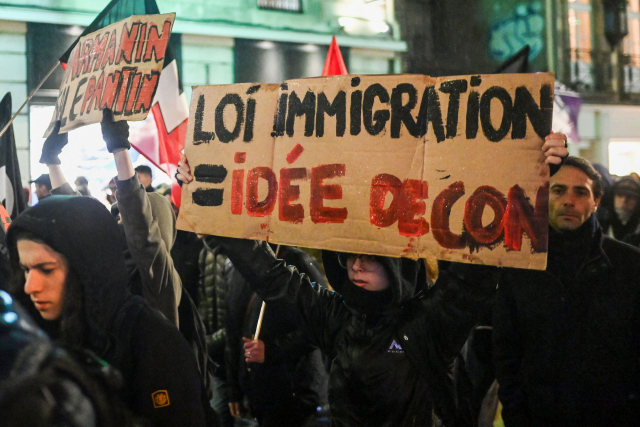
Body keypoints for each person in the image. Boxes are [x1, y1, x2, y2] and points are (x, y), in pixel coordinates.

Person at [176, 133, 568, 426]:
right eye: (349, 258)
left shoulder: (432, 321)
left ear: (397, 262)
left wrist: (533, 174)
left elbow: (477, 266)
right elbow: (272, 276)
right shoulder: (335, 316)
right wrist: (206, 193)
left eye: (370, 258)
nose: (356, 267)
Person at [5, 194, 211, 426]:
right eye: (25, 269)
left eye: (46, 269)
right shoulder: (31, 338)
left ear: (86, 268)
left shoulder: (149, 338)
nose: (30, 286)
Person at [493, 156, 640, 427]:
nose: (569, 200)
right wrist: (516, 412)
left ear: (597, 201)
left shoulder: (630, 265)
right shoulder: (519, 265)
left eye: (581, 192)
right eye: (558, 190)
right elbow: (506, 349)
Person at [225, 245, 329, 427]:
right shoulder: (239, 265)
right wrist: (234, 388)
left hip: (295, 394)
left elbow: (321, 324)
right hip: (257, 393)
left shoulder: (298, 262)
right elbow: (233, 328)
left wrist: (273, 349)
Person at [596, 176, 640, 241]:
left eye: (630, 196)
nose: (624, 200)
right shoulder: (601, 220)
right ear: (613, 197)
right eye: (620, 195)